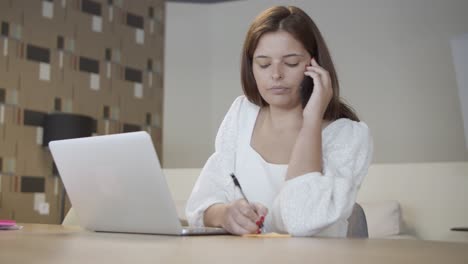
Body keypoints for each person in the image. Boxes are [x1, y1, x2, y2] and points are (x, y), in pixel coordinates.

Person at [185, 5, 373, 237]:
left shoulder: (348, 136)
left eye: (291, 62)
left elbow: (301, 219)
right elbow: (199, 206)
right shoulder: (241, 115)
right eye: (263, 64)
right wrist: (224, 214)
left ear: (315, 65)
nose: (276, 75)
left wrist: (312, 119)